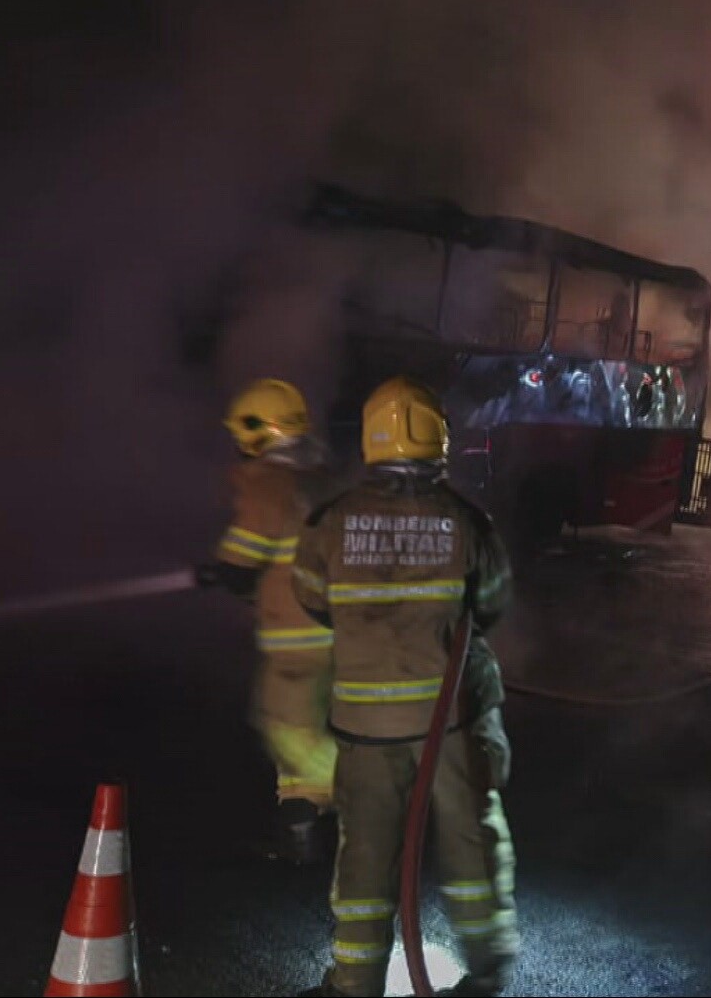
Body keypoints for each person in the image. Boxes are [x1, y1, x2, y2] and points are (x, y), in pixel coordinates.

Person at [293, 376, 518, 998]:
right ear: (438, 442)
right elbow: (493, 603)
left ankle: (354, 983)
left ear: (371, 442)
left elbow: (312, 600)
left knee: (366, 856)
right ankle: (488, 971)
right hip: (453, 723)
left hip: (367, 731)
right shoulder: (467, 522)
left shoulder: (329, 523)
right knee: (471, 841)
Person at [194, 378, 340, 864]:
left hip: (298, 638)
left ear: (260, 431)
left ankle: (370, 788)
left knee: (282, 725)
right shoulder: (319, 480)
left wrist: (223, 570)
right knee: (301, 730)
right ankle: (299, 828)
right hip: (336, 631)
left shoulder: (268, 483)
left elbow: (244, 557)